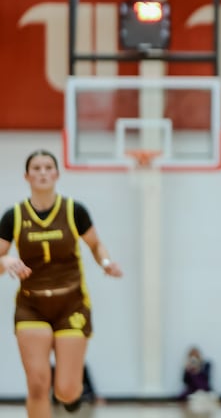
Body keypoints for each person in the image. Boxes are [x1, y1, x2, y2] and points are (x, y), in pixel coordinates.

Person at [0, 149, 123, 417]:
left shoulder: (74, 211)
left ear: (56, 174)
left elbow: (95, 245)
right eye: (36, 168)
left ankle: (72, 395)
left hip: (71, 304)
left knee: (65, 391)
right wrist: (5, 261)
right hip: (32, 306)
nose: (42, 173)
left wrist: (105, 263)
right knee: (37, 385)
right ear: (26, 176)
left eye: (48, 167)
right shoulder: (13, 216)